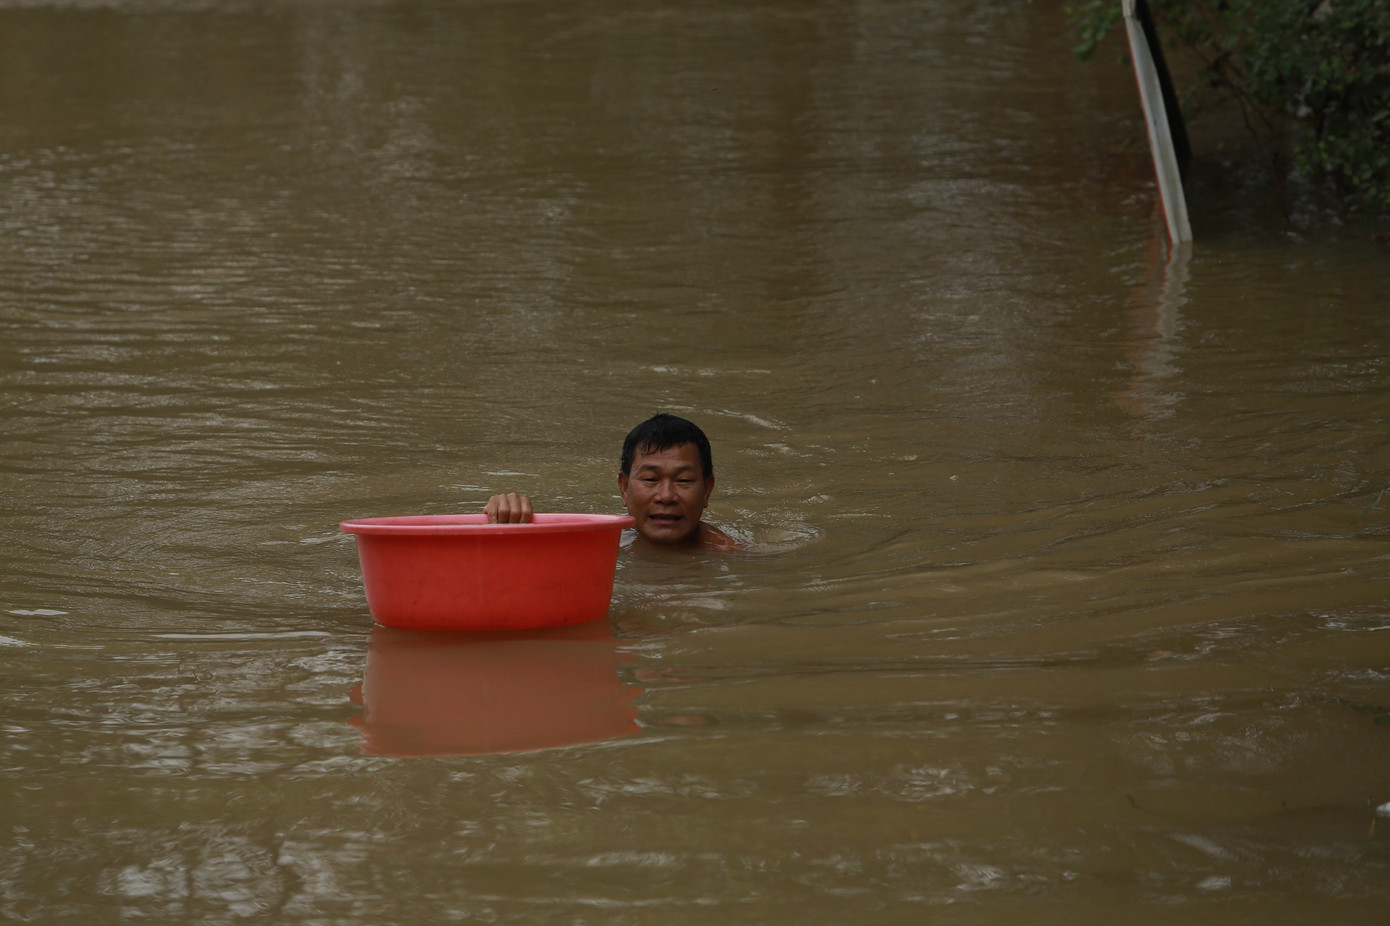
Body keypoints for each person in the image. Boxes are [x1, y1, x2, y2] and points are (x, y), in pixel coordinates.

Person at [485, 413, 743, 551]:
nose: (666, 495)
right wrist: (505, 518)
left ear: (707, 490)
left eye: (683, 480)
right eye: (651, 479)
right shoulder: (603, 545)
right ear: (624, 488)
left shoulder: (731, 555)